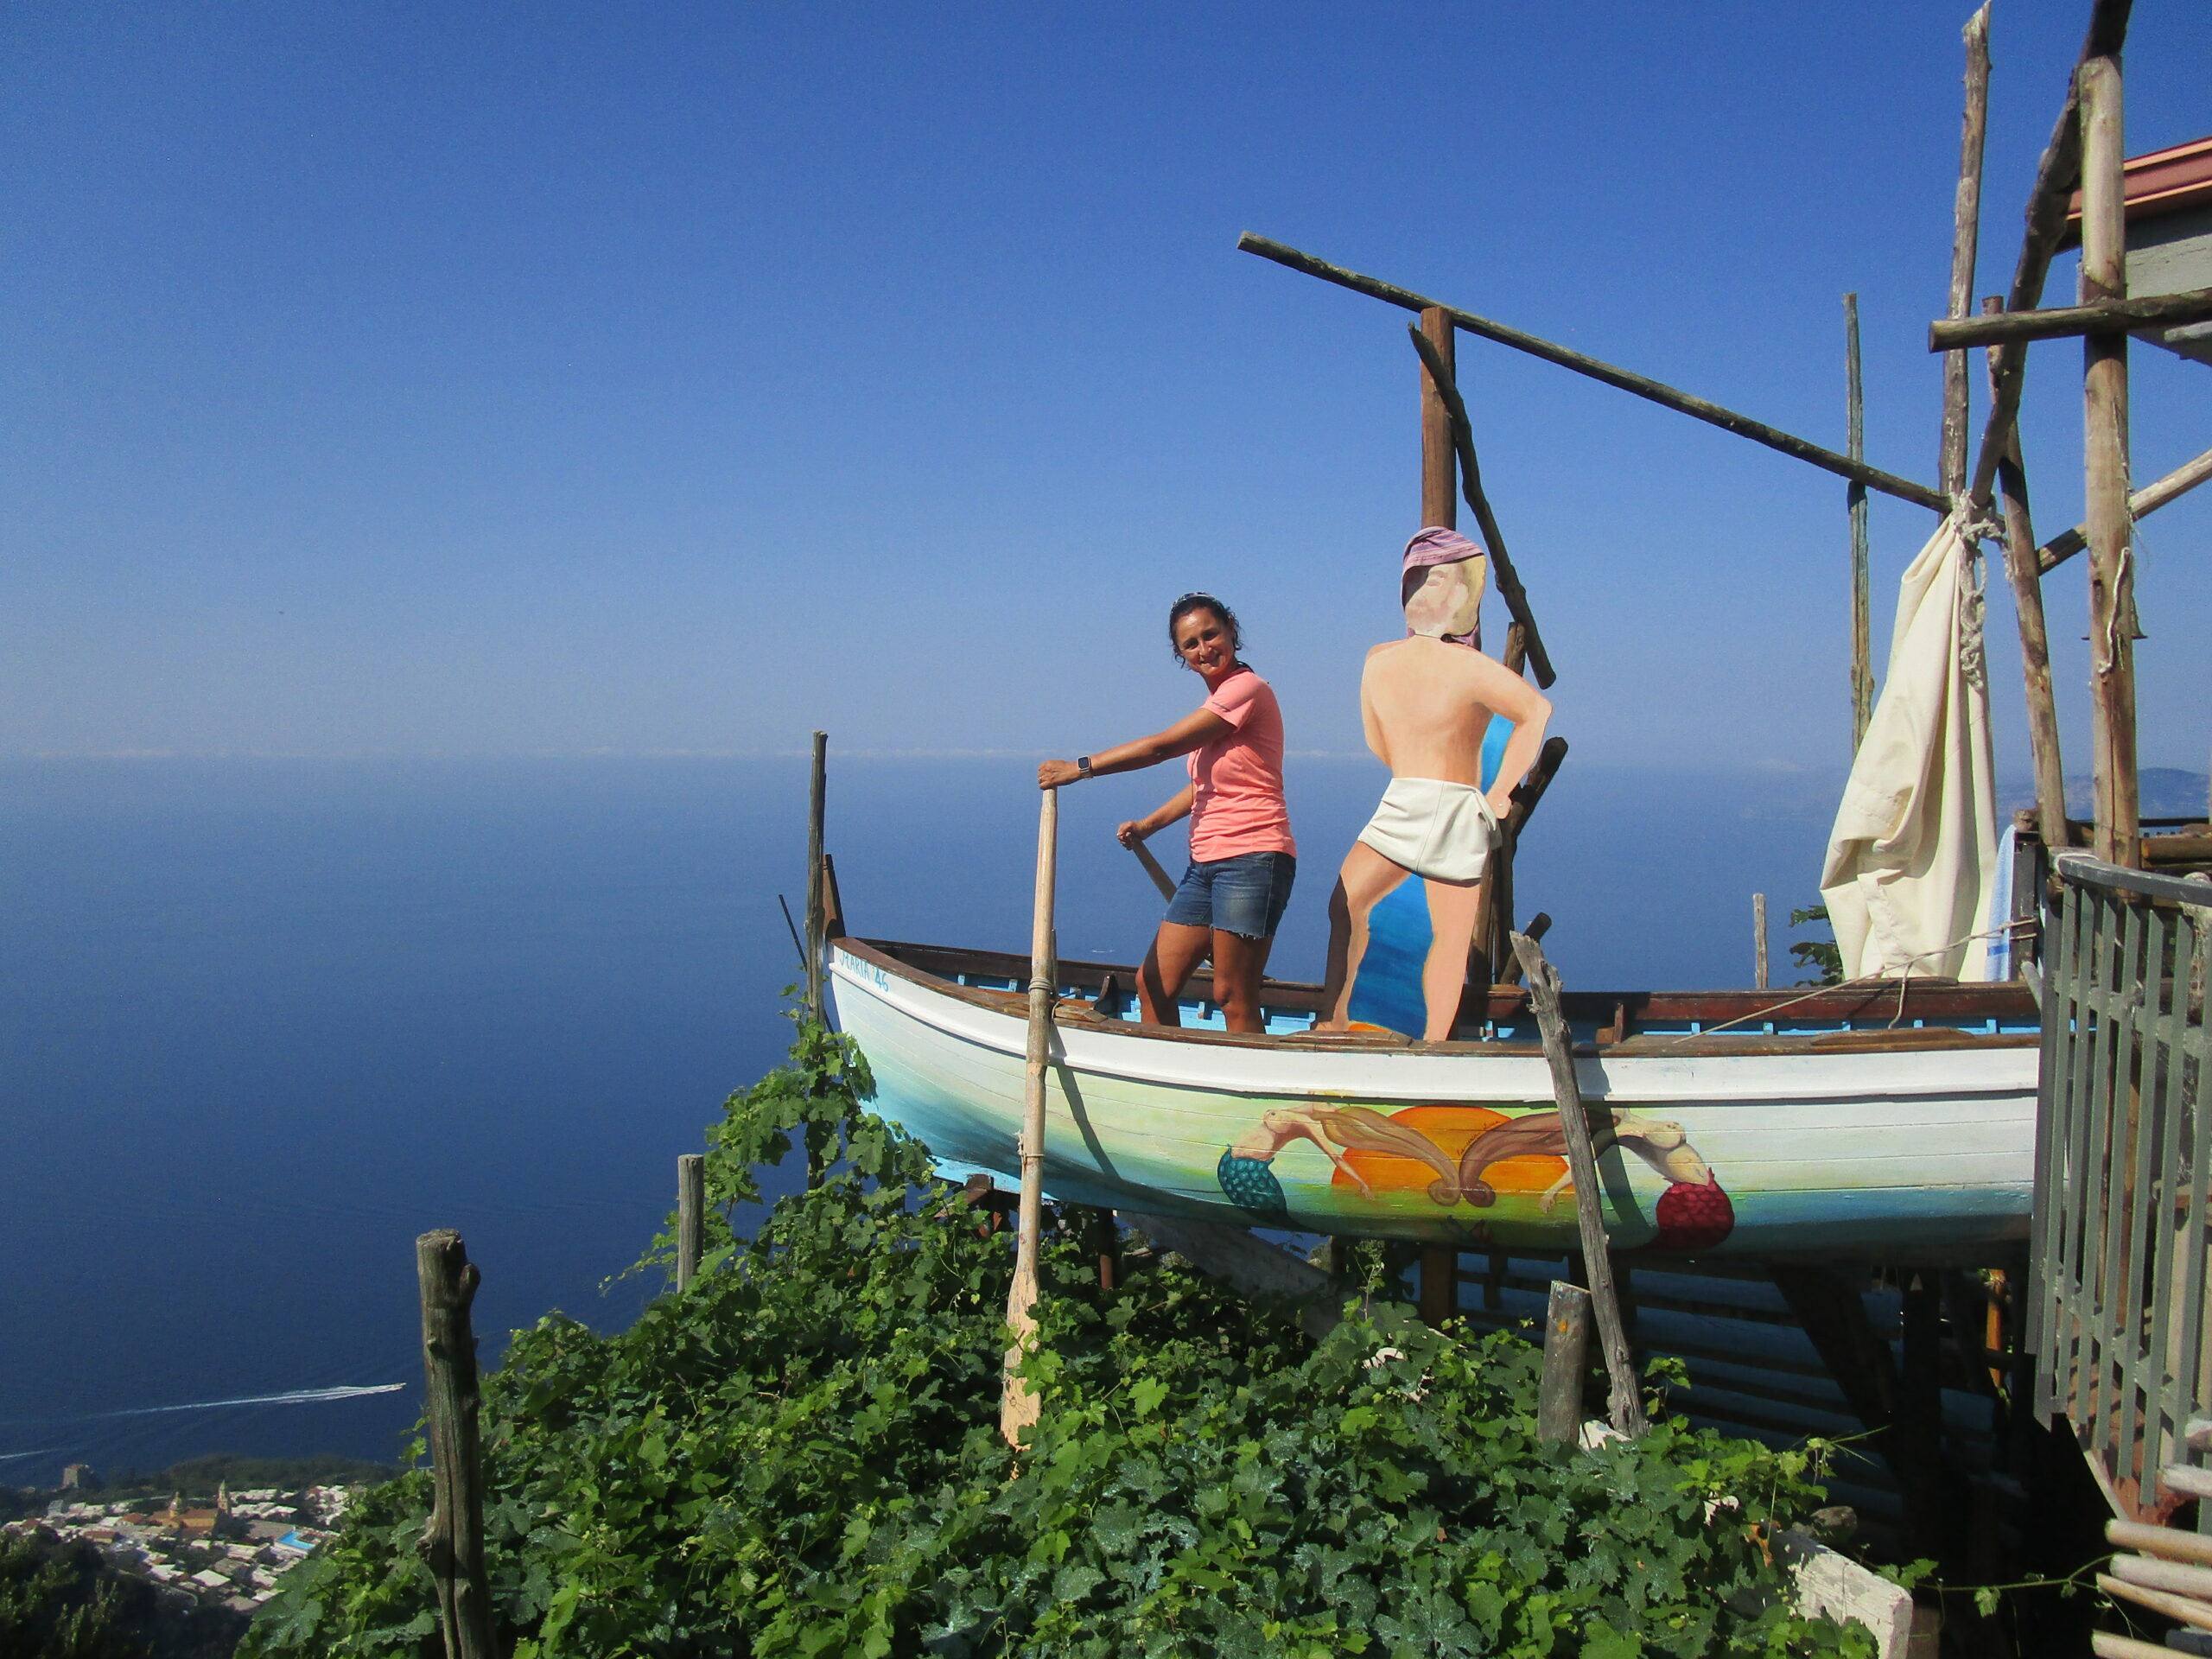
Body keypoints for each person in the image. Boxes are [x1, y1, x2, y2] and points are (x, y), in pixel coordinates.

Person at [1319, 528, 1551, 1042]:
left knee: (1449, 934)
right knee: (1347, 903)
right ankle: (1333, 1021)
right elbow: (1379, 740)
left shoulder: (1469, 668)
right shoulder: (1379, 660)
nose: (1424, 592)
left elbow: (1536, 711)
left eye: (1437, 579)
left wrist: (1499, 793)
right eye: (1416, 580)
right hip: (1407, 798)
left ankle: (1434, 1045)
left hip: (1456, 809)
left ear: (1464, 591)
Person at [1038, 593, 1295, 1033]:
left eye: (1210, 634)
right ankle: (1177, 1075)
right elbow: (1203, 787)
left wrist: (1079, 768)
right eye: (1190, 643)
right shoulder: (1220, 704)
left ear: (1231, 630)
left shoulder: (1246, 690)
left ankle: (1250, 1096)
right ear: (1181, 654)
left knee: (1233, 995)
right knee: (1153, 983)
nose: (1204, 649)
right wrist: (1148, 826)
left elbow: (1162, 746)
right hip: (1205, 864)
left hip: (1252, 859)